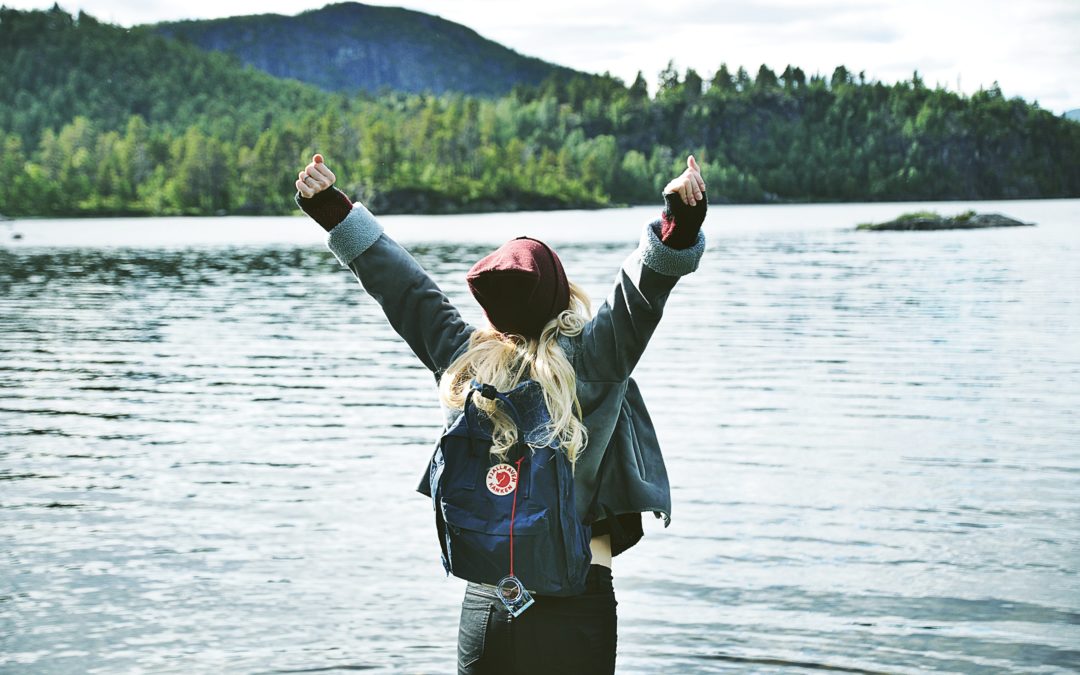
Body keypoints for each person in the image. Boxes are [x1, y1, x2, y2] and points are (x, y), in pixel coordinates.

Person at [294, 153, 708, 675]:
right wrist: (679, 217)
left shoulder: (464, 358)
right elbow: (643, 287)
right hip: (575, 608)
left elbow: (403, 288)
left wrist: (333, 209)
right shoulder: (597, 354)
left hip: (488, 605)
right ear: (560, 291)